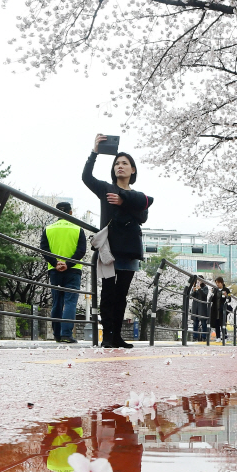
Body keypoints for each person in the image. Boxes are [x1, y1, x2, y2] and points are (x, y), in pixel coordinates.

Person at [83, 135, 153, 348]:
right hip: (109, 248)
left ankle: (118, 336)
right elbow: (86, 177)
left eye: (125, 163)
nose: (120, 166)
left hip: (130, 249)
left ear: (133, 170)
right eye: (117, 164)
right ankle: (109, 336)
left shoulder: (138, 196)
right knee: (108, 292)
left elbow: (143, 216)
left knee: (122, 294)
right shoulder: (106, 189)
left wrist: (123, 201)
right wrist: (94, 152)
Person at [39, 202, 87, 344]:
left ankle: (57, 334)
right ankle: (67, 334)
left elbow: (44, 249)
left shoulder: (48, 229)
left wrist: (56, 263)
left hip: (54, 270)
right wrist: (68, 264)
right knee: (70, 302)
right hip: (73, 270)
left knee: (57, 302)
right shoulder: (78, 229)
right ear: (71, 213)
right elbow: (81, 250)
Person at [210, 276, 230, 341]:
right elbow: (211, 300)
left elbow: (229, 299)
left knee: (223, 323)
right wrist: (212, 293)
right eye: (216, 283)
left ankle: (225, 336)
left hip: (222, 309)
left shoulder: (226, 290)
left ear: (221, 282)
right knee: (217, 323)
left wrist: (226, 296)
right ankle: (218, 337)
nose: (217, 284)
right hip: (215, 309)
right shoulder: (215, 290)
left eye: (218, 283)